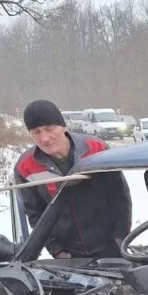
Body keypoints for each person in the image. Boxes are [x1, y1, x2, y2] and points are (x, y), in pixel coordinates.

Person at [13, 100, 131, 259]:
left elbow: (120, 197)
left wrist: (120, 238)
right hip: (69, 257)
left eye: (50, 129)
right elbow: (36, 215)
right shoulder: (26, 167)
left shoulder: (96, 149)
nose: (44, 138)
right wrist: (56, 250)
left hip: (111, 247)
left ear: (63, 126)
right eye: (36, 132)